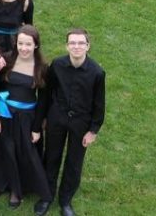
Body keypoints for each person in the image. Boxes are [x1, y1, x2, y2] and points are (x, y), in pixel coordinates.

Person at [40, 28, 106, 216]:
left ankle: (65, 201)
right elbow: (47, 93)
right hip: (57, 117)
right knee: (51, 156)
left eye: (81, 43)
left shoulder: (97, 72)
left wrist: (93, 130)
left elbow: (99, 104)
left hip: (81, 122)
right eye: (72, 43)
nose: (76, 46)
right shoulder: (57, 65)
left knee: (74, 162)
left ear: (88, 46)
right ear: (67, 46)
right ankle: (47, 196)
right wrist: (44, 117)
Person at [0, 25, 53, 210]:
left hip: (27, 118)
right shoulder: (7, 60)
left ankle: (17, 190)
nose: (24, 48)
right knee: (2, 149)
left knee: (23, 153)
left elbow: (44, 100)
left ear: (36, 45)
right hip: (5, 114)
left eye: (28, 44)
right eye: (20, 43)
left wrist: (37, 128)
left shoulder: (42, 68)